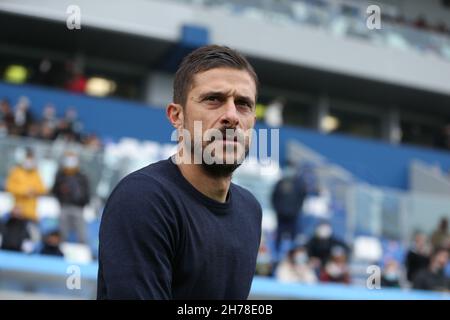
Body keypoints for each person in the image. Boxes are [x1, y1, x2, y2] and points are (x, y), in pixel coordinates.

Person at [97, 45, 262, 299]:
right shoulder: (142, 199)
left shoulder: (250, 210)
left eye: (243, 104)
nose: (231, 116)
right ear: (177, 116)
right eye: (213, 99)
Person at [52, 152, 90, 244]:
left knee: (81, 231)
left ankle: (84, 248)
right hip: (65, 206)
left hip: (78, 207)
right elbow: (55, 190)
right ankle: (60, 247)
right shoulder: (61, 175)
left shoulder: (81, 176)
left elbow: (86, 191)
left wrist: (83, 202)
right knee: (63, 230)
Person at [271, 163, 308, 254]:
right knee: (279, 235)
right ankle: (277, 252)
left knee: (294, 236)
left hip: (293, 216)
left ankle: (292, 254)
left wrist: (296, 209)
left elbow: (302, 197)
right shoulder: (280, 183)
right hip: (281, 215)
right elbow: (274, 197)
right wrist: (278, 209)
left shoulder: (299, 184)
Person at [5, 148, 47, 222]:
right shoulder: (16, 172)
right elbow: (9, 187)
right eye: (28, 158)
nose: (29, 161)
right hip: (18, 212)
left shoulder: (36, 173)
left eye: (31, 159)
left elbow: (43, 189)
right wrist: (24, 191)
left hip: (31, 212)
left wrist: (34, 191)